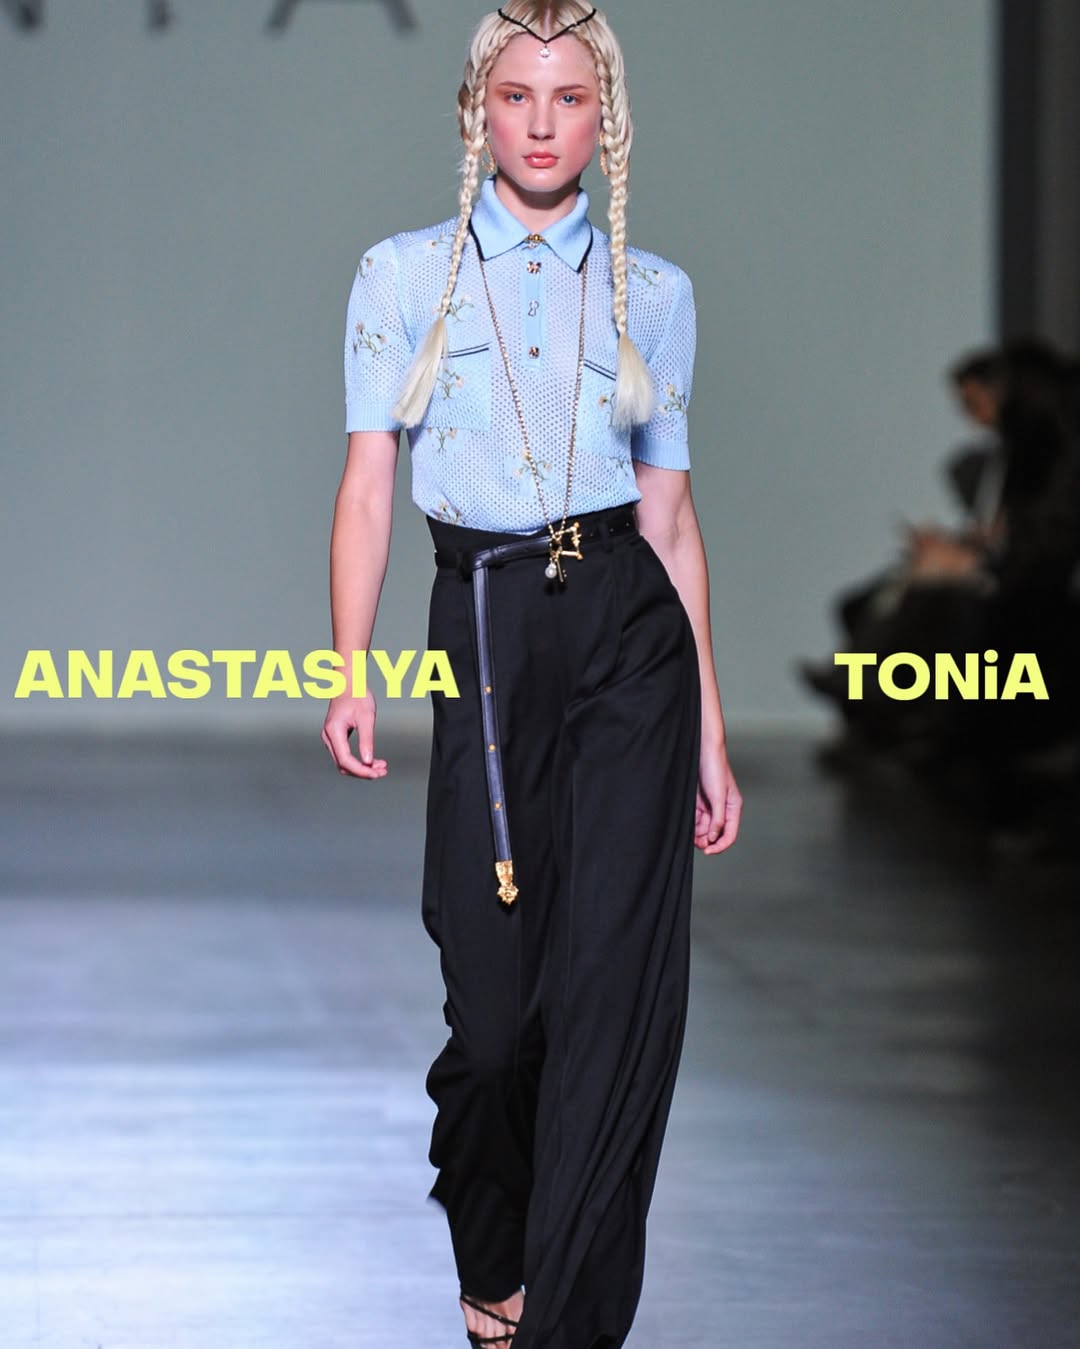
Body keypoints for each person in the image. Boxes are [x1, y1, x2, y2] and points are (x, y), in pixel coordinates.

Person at [321, 5, 742, 1346]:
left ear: (605, 119)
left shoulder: (655, 293)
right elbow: (369, 487)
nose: (543, 123)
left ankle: (566, 1327)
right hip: (487, 618)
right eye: (517, 95)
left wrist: (710, 729)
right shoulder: (405, 279)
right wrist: (349, 667)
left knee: (613, 1000)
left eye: (569, 98)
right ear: (476, 111)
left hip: (629, 636)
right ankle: (496, 1262)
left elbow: (672, 520)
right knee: (496, 1018)